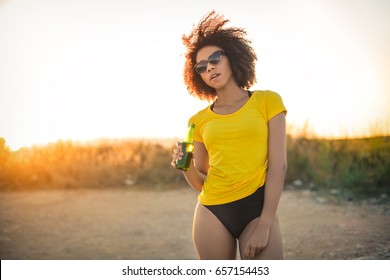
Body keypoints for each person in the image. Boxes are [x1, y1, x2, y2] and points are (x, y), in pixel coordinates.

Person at [171, 11, 287, 260]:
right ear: (199, 77)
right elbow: (201, 181)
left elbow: (279, 166)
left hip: (256, 208)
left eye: (215, 58)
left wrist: (265, 224)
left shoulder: (268, 101)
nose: (209, 66)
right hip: (212, 211)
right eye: (201, 67)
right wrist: (186, 167)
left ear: (232, 57)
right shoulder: (198, 121)